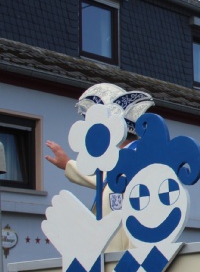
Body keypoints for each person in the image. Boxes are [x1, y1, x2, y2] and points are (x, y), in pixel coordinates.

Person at [45, 83, 154, 252]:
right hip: (112, 253)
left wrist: (136, 255)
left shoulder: (138, 158)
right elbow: (103, 178)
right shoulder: (116, 160)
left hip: (127, 253)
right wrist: (67, 164)